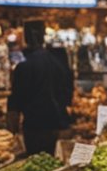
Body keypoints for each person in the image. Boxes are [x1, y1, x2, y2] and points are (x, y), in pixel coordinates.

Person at [7, 24, 73, 155]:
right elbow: (69, 91)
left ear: (25, 39)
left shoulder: (23, 67)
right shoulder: (60, 62)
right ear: (43, 37)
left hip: (35, 129)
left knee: (38, 166)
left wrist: (11, 133)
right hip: (61, 126)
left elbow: (15, 102)